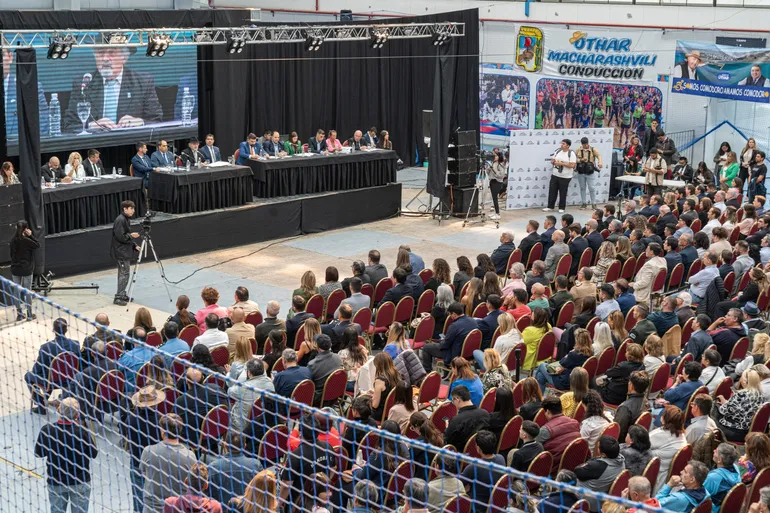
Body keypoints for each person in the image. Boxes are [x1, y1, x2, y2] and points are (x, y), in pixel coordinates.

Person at [140, 413, 199, 513]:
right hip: (177, 508)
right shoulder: (190, 456)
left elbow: (143, 472)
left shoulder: (148, 451)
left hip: (152, 508)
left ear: (163, 431)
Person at [25, 318, 80, 413]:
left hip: (51, 382)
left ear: (54, 330)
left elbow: (37, 369)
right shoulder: (75, 344)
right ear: (66, 330)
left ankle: (41, 405)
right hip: (71, 379)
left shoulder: (46, 347)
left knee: (28, 375)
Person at [208, 431, 262, 511]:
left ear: (225, 445)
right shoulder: (256, 465)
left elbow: (208, 497)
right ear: (244, 446)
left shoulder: (213, 467)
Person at [575, 436, 627, 512]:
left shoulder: (598, 466)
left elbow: (577, 471)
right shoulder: (621, 461)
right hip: (602, 498)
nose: (597, 448)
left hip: (588, 502)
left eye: (598, 447)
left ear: (603, 454)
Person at [535, 328, 592, 393]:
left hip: (564, 383)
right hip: (576, 381)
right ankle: (538, 396)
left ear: (577, 340)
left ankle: (533, 388)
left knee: (542, 365)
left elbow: (561, 362)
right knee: (540, 376)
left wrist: (569, 354)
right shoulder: (590, 352)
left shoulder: (574, 354)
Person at [716, 369, 766, 442]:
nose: (740, 380)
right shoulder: (761, 395)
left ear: (745, 381)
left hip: (734, 431)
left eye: (741, 377)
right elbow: (740, 409)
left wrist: (724, 403)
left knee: (714, 409)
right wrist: (728, 403)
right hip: (747, 430)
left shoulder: (741, 395)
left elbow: (724, 411)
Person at [537, 395, 581, 474]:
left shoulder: (546, 429)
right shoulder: (575, 423)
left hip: (553, 467)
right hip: (574, 463)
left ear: (548, 412)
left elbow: (534, 448)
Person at [460, 430, 505, 506]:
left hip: (477, 506)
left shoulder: (472, 467)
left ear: (478, 448)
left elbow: (459, 485)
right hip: (497, 503)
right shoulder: (501, 458)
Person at [650, 406, 688, 493]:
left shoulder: (660, 434)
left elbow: (641, 446)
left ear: (666, 419)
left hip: (657, 474)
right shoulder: (681, 434)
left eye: (663, 414)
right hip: (669, 475)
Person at [110, 200, 140, 306]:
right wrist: (132, 236)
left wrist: (134, 245)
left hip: (124, 251)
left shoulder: (125, 219)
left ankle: (122, 294)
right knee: (124, 274)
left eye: (133, 208)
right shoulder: (120, 220)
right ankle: (118, 297)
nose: (133, 211)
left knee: (124, 273)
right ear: (125, 209)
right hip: (121, 252)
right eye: (131, 208)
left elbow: (126, 235)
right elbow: (121, 236)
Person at [8, 220, 39, 321]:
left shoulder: (12, 240)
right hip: (26, 269)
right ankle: (29, 314)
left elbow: (11, 255)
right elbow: (37, 245)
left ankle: (19, 314)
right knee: (27, 291)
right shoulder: (27, 240)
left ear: (16, 228)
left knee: (16, 291)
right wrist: (30, 235)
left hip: (15, 269)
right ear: (25, 229)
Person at [615, 371, 651, 442]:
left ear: (631, 385)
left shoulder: (625, 408)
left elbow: (618, 432)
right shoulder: (646, 401)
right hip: (638, 438)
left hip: (624, 442)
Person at [308, 334, 343, 406]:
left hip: (318, 398)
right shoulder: (339, 358)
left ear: (317, 347)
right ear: (330, 345)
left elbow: (308, 384)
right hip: (336, 393)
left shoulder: (312, 364)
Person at [544, 139, 577, 213]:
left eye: (564, 144)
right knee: (552, 191)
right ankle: (550, 206)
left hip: (565, 176)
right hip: (555, 174)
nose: (562, 145)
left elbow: (572, 165)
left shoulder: (571, 153)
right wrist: (554, 161)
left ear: (568, 146)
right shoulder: (558, 151)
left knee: (563, 192)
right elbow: (553, 160)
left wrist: (562, 163)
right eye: (561, 143)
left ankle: (562, 207)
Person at [576, 136, 604, 209]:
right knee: (582, 188)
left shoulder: (593, 149)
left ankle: (593, 203)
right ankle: (584, 203)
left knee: (592, 188)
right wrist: (580, 160)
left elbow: (599, 156)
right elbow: (574, 158)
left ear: (588, 143)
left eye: (586, 144)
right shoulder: (578, 149)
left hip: (590, 171)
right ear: (581, 144)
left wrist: (600, 163)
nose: (585, 146)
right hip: (581, 171)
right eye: (583, 144)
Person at [488, 152, 507, 220]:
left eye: (496, 156)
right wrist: (489, 168)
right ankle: (495, 212)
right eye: (494, 156)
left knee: (495, 198)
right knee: (493, 198)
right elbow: (488, 173)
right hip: (492, 181)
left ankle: (498, 214)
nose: (495, 157)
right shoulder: (493, 163)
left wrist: (493, 170)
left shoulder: (500, 164)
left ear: (499, 157)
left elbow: (501, 175)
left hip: (497, 182)